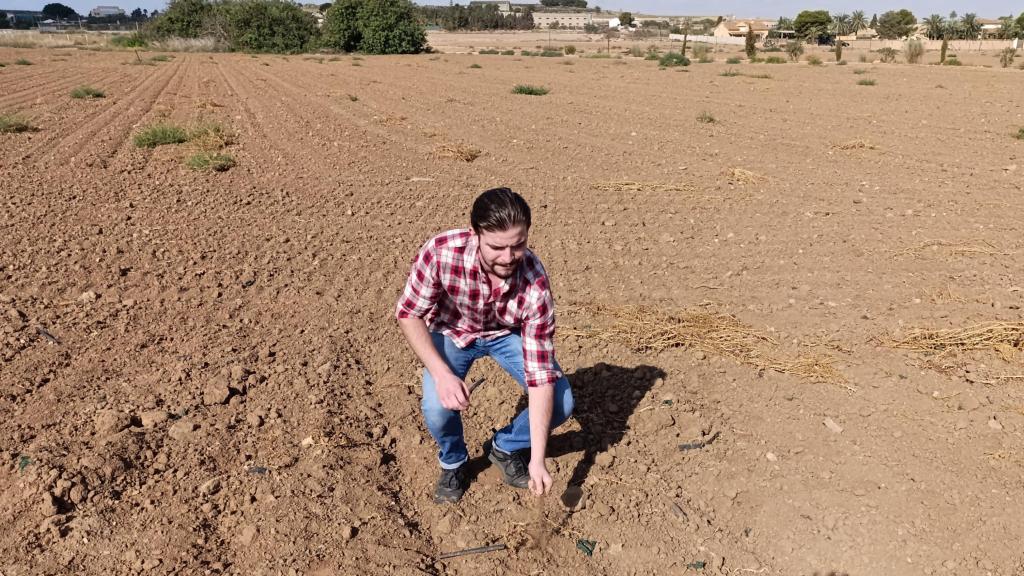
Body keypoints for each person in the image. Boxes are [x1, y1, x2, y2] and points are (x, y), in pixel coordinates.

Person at [395, 187, 574, 503]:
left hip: (506, 335)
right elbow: (409, 314)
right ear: (474, 234)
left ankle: (506, 447)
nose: (508, 258)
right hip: (452, 332)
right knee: (437, 407)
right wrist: (442, 375)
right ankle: (455, 461)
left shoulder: (535, 285)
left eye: (518, 246)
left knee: (562, 401)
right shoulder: (441, 252)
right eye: (497, 247)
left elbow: (540, 377)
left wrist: (537, 459)